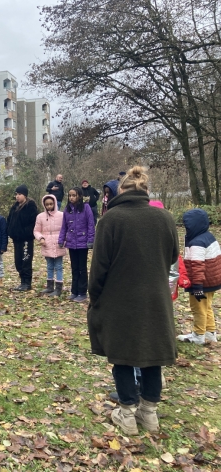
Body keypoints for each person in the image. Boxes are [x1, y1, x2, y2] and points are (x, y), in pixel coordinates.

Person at [88, 166, 179, 436]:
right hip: (156, 298)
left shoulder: (111, 220)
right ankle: (149, 413)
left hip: (120, 299)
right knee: (152, 354)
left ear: (121, 190)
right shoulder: (165, 218)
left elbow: (99, 268)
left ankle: (127, 413)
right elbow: (173, 255)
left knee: (123, 355)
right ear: (146, 190)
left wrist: (95, 298)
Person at [177, 209, 221, 345]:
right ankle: (210, 332)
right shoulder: (209, 237)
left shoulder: (197, 243)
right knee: (207, 306)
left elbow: (197, 266)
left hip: (201, 283)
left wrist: (197, 287)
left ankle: (198, 334)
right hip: (212, 281)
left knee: (198, 308)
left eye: (187, 225)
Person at [58, 187, 95, 303]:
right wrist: (61, 239)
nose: (71, 197)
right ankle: (74, 291)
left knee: (82, 268)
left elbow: (90, 224)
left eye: (74, 195)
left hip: (83, 243)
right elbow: (64, 226)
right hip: (71, 243)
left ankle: (82, 292)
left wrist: (90, 240)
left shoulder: (86, 208)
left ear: (79, 196)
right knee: (74, 268)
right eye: (70, 195)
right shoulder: (67, 209)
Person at [7, 185, 39, 291]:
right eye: (16, 194)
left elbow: (33, 222)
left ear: (25, 195)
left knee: (26, 260)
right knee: (18, 261)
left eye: (19, 194)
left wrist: (25, 232)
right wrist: (10, 231)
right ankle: (22, 281)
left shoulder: (30, 206)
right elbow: (9, 220)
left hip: (26, 239)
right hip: (16, 238)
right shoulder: (15, 207)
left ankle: (27, 283)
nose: (17, 196)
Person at [34, 195, 65, 297]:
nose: (49, 206)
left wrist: (64, 239)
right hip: (47, 243)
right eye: (47, 204)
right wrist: (41, 238)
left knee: (59, 266)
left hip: (58, 243)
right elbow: (36, 230)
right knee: (49, 266)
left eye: (51, 204)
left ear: (55, 203)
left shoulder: (61, 215)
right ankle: (50, 286)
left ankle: (58, 287)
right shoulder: (40, 216)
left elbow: (65, 229)